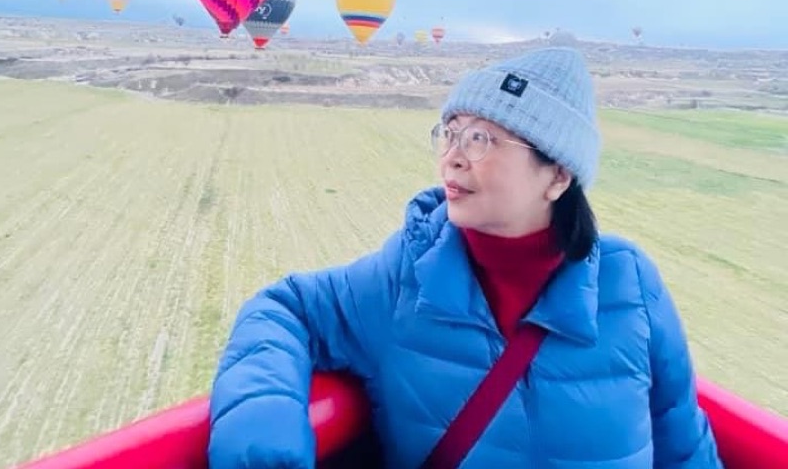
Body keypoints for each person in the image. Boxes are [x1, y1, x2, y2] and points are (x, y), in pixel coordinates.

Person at [208, 47, 723, 468]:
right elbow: (285, 309)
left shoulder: (631, 285)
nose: (452, 157)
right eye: (451, 132)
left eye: (481, 138)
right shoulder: (404, 276)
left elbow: (683, 445)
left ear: (558, 176)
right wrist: (264, 434)